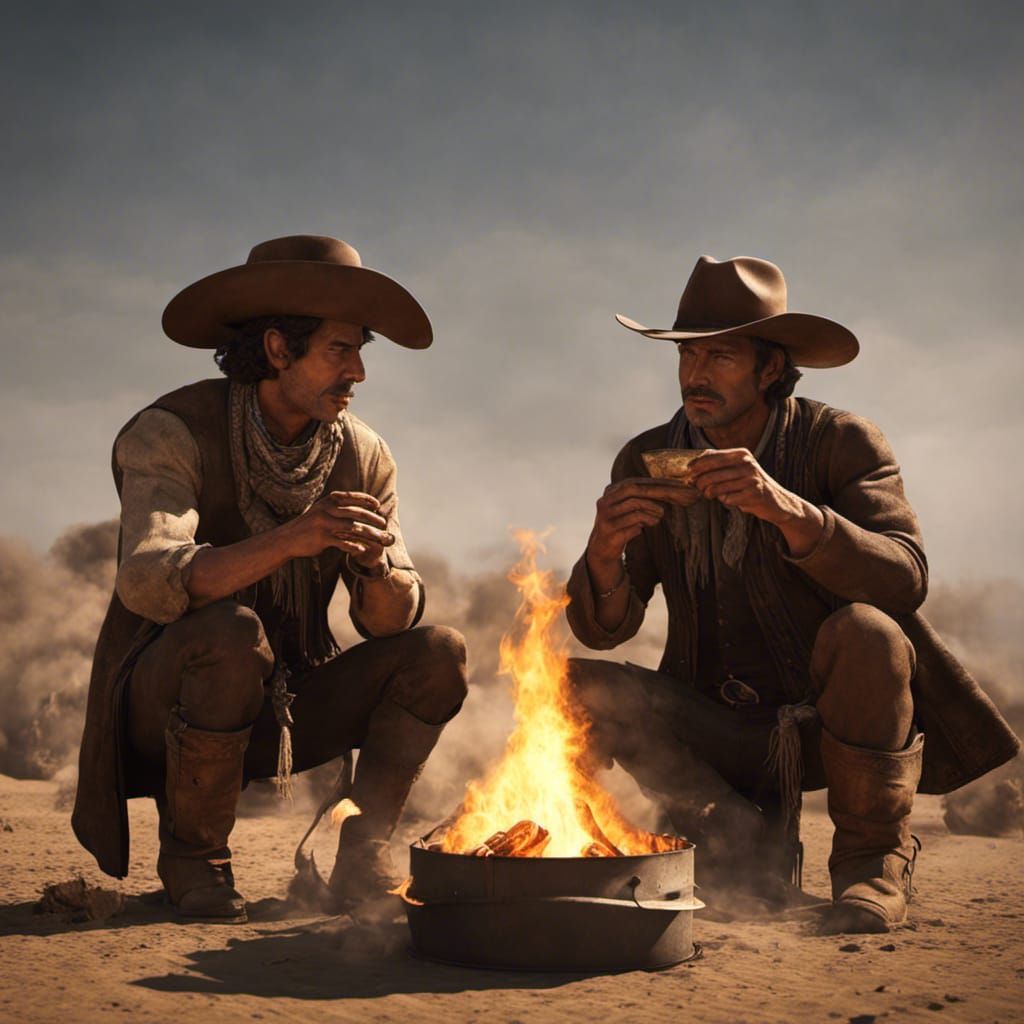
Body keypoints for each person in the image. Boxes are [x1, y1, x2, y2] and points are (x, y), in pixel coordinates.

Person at [565, 255, 1020, 933]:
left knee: (869, 633)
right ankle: (731, 836)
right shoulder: (646, 456)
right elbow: (605, 630)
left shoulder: (840, 442)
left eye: (720, 356)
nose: (695, 374)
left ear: (770, 368)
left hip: (822, 726)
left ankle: (871, 865)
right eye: (688, 354)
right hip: (709, 725)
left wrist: (789, 511)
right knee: (571, 685)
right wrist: (603, 554)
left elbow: (905, 578)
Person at [72, 235, 467, 923]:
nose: (358, 372)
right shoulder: (171, 430)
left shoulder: (365, 453)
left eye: (360, 351)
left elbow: (389, 621)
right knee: (231, 634)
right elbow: (147, 579)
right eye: (339, 350)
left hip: (287, 707)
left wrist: (374, 566)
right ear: (279, 349)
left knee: (438, 654)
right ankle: (195, 861)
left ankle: (362, 863)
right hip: (164, 707)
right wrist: (292, 539)